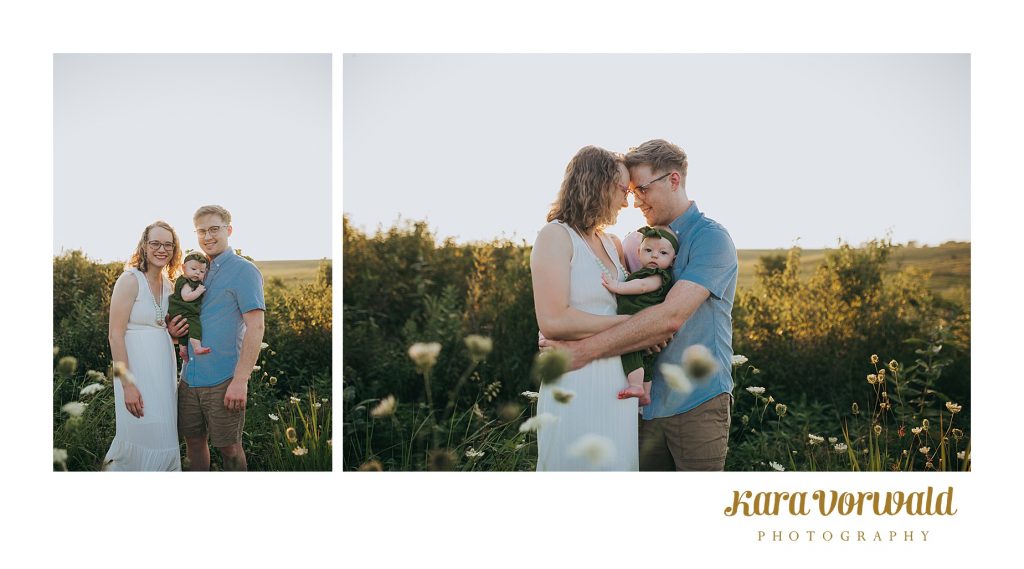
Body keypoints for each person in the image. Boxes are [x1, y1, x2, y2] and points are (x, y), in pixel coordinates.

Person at [541, 139, 738, 471]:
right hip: (640, 403)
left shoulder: (710, 239)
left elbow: (668, 317)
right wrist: (559, 325)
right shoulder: (636, 242)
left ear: (673, 180)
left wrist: (583, 350)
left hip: (696, 402)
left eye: (642, 189)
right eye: (630, 193)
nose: (635, 202)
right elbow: (614, 302)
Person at [530, 145, 637, 471]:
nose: (626, 201)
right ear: (599, 184)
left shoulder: (612, 243)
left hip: (619, 381)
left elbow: (631, 299)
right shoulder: (555, 237)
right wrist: (631, 324)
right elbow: (554, 321)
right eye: (622, 190)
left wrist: (636, 324)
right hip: (575, 379)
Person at [177, 205, 266, 471]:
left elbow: (256, 327)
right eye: (202, 231)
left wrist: (241, 380)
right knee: (193, 443)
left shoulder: (244, 271)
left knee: (230, 448)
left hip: (224, 378)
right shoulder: (194, 270)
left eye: (214, 229)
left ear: (228, 230)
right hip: (189, 377)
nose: (208, 236)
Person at [104, 221, 190, 471]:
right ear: (144, 246)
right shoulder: (130, 281)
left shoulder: (170, 285)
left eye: (168, 244)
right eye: (155, 243)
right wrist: (128, 385)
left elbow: (159, 330)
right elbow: (115, 335)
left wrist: (173, 335)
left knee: (164, 434)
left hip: (163, 374)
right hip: (135, 375)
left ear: (174, 250)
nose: (161, 249)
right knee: (139, 435)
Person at [600, 225, 679, 406]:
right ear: (638, 252)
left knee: (629, 350)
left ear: (673, 260)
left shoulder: (659, 275)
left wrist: (618, 286)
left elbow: (643, 287)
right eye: (648, 250)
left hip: (639, 324)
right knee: (646, 362)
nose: (654, 256)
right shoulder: (641, 273)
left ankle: (636, 385)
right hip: (645, 326)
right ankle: (645, 394)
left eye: (663, 253)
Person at [168, 250, 212, 361]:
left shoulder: (192, 281)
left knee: (184, 332)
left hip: (180, 311)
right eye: (193, 269)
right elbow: (186, 297)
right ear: (183, 268)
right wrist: (198, 291)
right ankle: (197, 347)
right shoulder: (186, 282)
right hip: (183, 310)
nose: (197, 273)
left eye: (202, 271)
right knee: (195, 324)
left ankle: (183, 351)